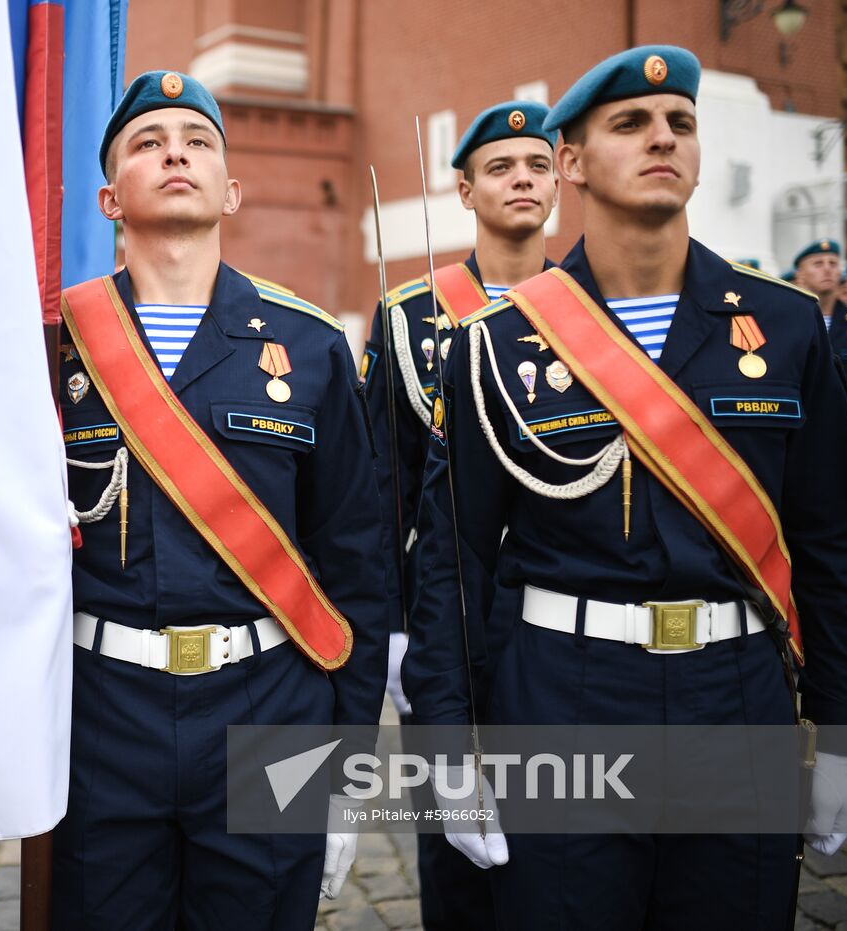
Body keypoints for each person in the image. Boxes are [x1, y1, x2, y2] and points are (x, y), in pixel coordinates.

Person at [407, 45, 847, 929]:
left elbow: (833, 544)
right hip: (560, 697)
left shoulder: (779, 327)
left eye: (681, 123)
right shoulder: (498, 344)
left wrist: (838, 738)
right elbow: (452, 559)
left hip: (736, 696)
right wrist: (448, 744)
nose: (663, 136)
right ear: (573, 164)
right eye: (631, 124)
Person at [51, 70, 388, 929]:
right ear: (108, 197)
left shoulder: (307, 346)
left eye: (198, 142)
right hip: (102, 710)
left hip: (268, 705)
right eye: (148, 142)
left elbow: (355, 559)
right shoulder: (51, 347)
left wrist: (345, 772)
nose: (175, 153)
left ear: (230, 189)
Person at [363, 99, 558, 931]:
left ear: (562, 179)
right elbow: (380, 490)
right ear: (465, 189)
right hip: (450, 628)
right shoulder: (410, 317)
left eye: (538, 164)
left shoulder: (598, 310)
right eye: (502, 167)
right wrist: (396, 632)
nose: (523, 179)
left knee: (565, 844)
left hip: (561, 625)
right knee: (458, 859)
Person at [792, 240, 847, 508]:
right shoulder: (784, 321)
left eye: (832, 263)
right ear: (800, 275)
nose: (828, 270)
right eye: (818, 264)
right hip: (801, 436)